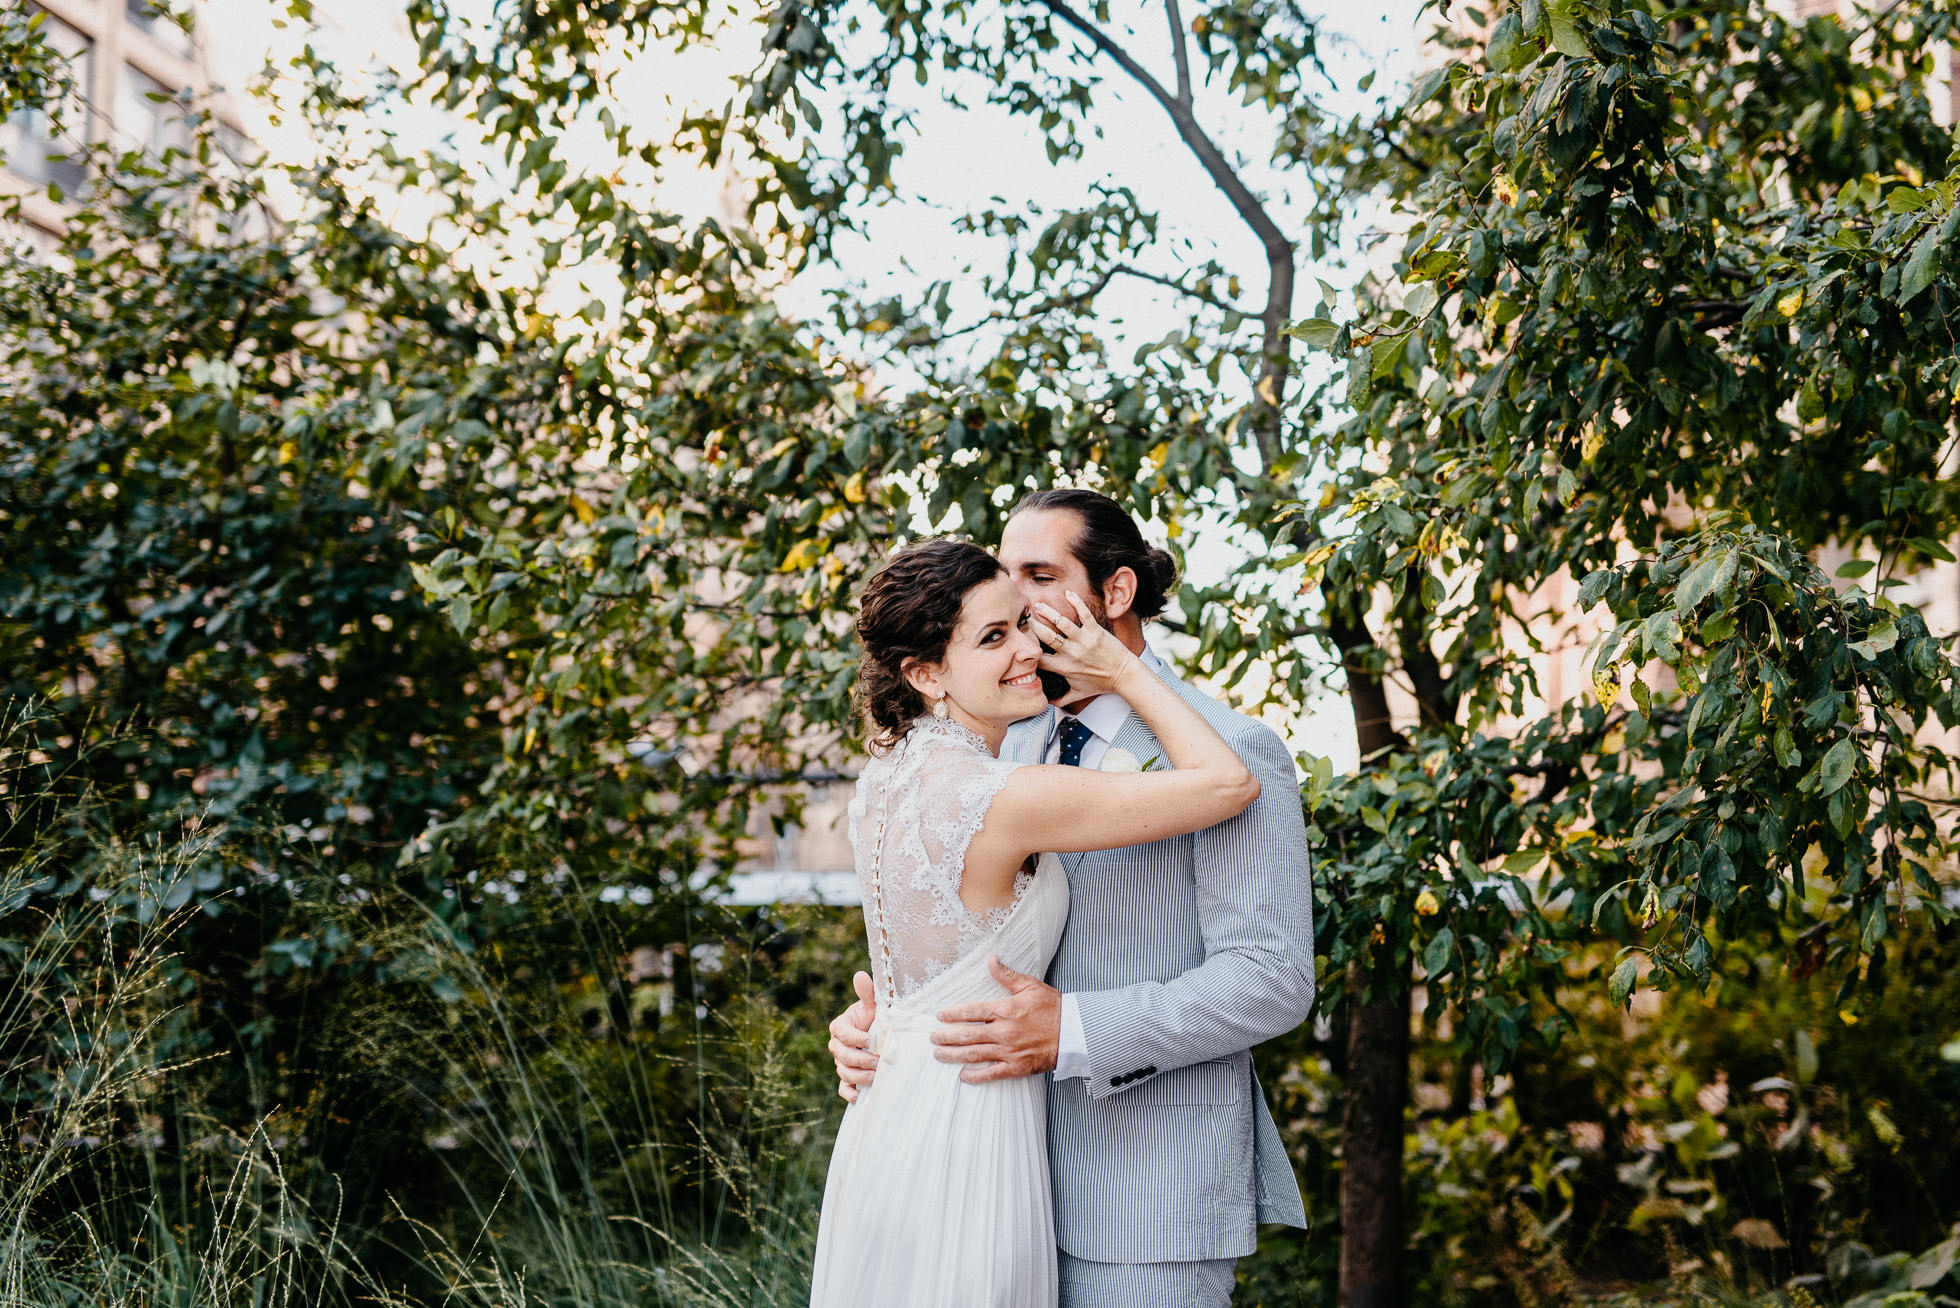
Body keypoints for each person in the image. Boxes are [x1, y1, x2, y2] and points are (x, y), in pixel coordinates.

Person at [828, 489, 1317, 1307]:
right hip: (981, 1170)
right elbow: (957, 923)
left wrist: (1075, 1030)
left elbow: (1271, 979)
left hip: (1143, 1197)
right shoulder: (1003, 737)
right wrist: (887, 1020)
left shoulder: (1237, 751)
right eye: (1002, 581)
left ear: (1115, 593)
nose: (1015, 598)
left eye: (1038, 574)